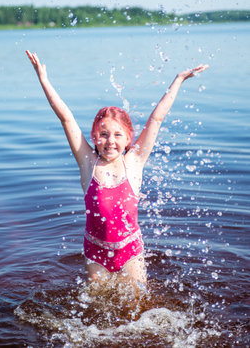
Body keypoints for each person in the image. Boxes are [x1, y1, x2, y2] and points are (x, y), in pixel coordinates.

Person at [26, 50, 208, 286]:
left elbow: (156, 119)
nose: (110, 140)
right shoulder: (87, 163)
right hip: (95, 252)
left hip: (130, 251)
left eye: (117, 135)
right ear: (94, 136)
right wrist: (43, 79)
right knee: (96, 309)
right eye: (103, 134)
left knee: (137, 306)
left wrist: (178, 80)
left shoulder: (134, 162)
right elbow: (66, 118)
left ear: (127, 138)